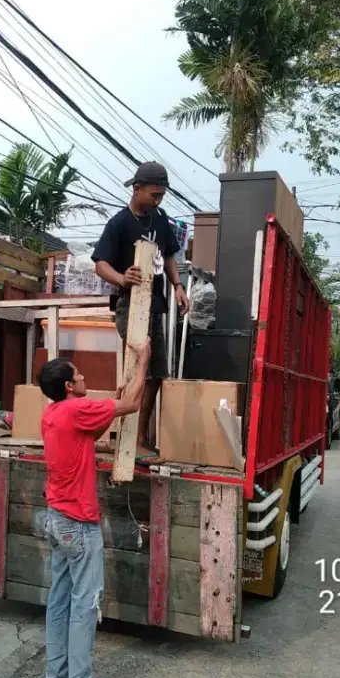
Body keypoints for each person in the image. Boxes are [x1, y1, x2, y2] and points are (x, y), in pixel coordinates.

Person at [38, 340, 151, 678]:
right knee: (85, 604)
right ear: (69, 386)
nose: (84, 376)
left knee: (59, 599)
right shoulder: (78, 409)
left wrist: (109, 407)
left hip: (56, 519)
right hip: (79, 524)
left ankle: (56, 673)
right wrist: (145, 359)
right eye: (79, 375)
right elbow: (133, 405)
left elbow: (92, 432)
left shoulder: (53, 413)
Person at [92, 161, 189, 460]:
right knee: (139, 372)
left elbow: (170, 255)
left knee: (157, 374)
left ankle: (140, 437)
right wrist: (122, 278)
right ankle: (128, 437)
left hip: (155, 304)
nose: (158, 200)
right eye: (154, 194)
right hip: (129, 305)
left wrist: (178, 286)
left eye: (162, 195)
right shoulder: (119, 223)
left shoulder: (159, 218)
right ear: (136, 189)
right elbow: (100, 264)